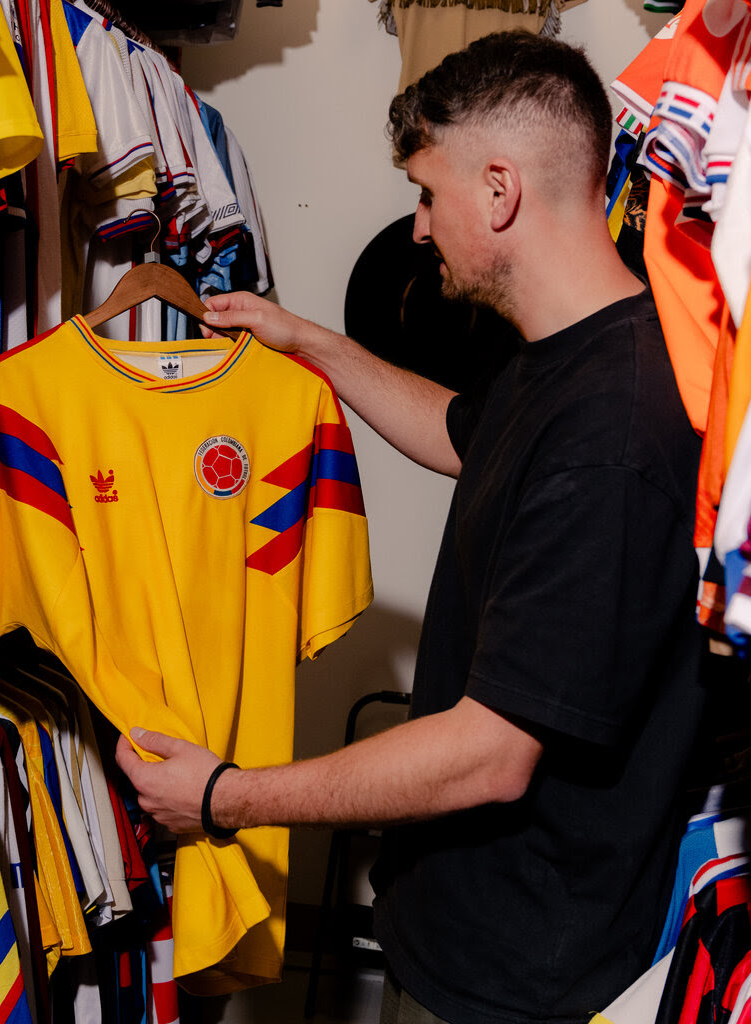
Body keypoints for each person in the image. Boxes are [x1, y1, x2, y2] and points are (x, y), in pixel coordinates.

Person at [116, 31, 706, 1024]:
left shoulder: (617, 429)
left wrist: (226, 797)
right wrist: (308, 343)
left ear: (499, 189)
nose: (420, 228)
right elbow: (457, 432)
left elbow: (491, 752)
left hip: (515, 986)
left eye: (429, 194)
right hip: (453, 931)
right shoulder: (567, 358)